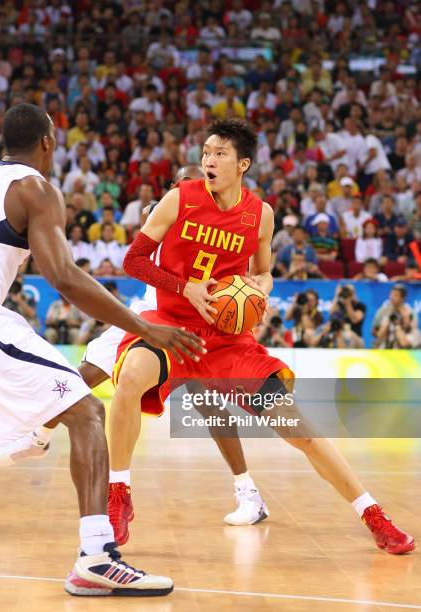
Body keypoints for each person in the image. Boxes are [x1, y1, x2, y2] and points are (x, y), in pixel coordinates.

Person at [0, 104, 206, 597]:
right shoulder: (36, 188)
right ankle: (96, 557)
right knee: (87, 412)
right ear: (47, 142)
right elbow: (63, 277)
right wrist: (142, 328)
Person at [107, 118, 414, 555]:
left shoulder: (261, 215)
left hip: (229, 340)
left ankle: (373, 515)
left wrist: (259, 289)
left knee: (300, 430)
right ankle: (119, 494)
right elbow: (133, 261)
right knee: (132, 374)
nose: (209, 160)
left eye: (220, 154)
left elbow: (265, 271)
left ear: (243, 164)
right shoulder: (178, 200)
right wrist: (184, 288)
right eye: (206, 152)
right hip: (174, 327)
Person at [81, 164, 270, 531]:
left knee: (209, 403)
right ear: (175, 187)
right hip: (152, 317)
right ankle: (39, 429)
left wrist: (247, 299)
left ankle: (247, 490)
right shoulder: (165, 212)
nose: (196, 187)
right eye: (187, 181)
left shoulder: (223, 221)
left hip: (195, 325)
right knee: (87, 376)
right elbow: (135, 261)